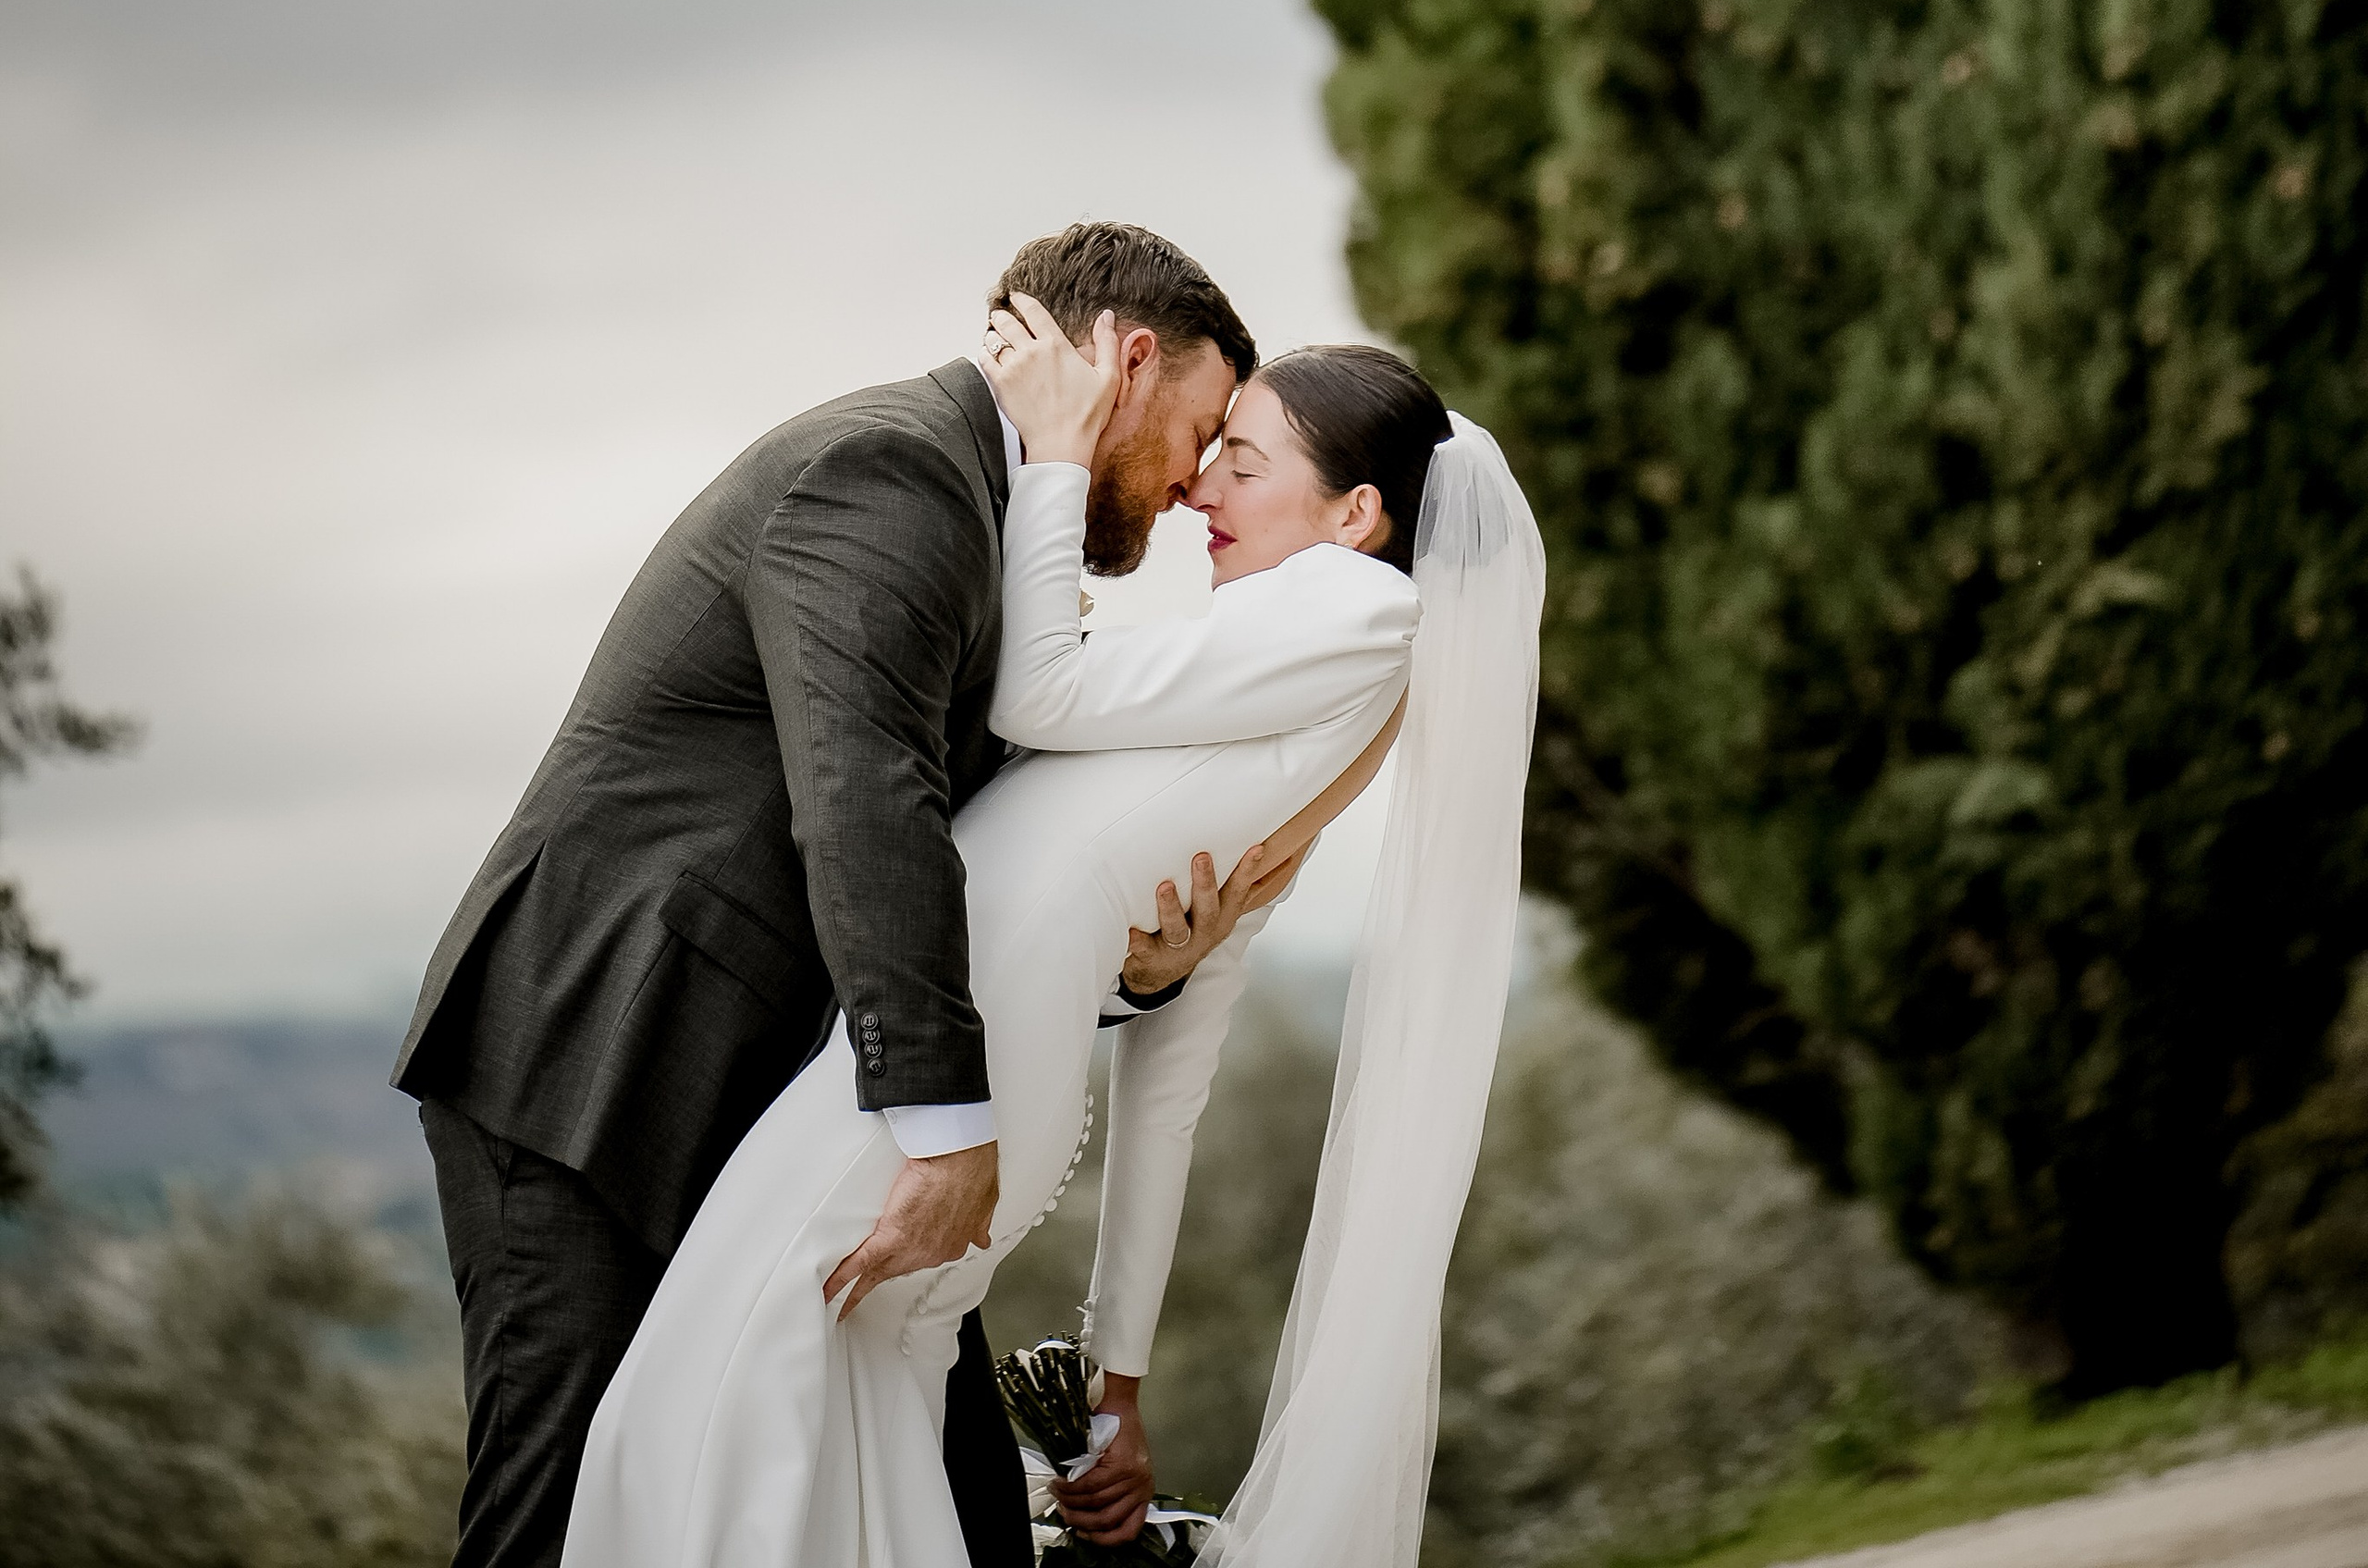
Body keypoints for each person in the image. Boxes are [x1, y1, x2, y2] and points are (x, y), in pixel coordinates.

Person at [559, 310, 1546, 1568]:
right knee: (830, 1422)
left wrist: (1062, 459)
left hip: (964, 1075)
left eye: (1244, 464)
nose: (1200, 494)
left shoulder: (1357, 610)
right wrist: (1116, 1373)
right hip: (996, 1059)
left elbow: (1039, 694)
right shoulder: (1288, 690)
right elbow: (1173, 1063)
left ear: (1356, 516)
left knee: (716, 1394)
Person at [393, 222, 1273, 1568]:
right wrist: (946, 1128)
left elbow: (992, 854)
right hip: (597, 1065)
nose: (1190, 486)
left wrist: (1135, 977)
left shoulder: (990, 521)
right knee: (559, 1515)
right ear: (1132, 360)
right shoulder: (889, 472)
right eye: (1201, 434)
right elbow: (866, 801)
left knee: (958, 1507)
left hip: (775, 1107)